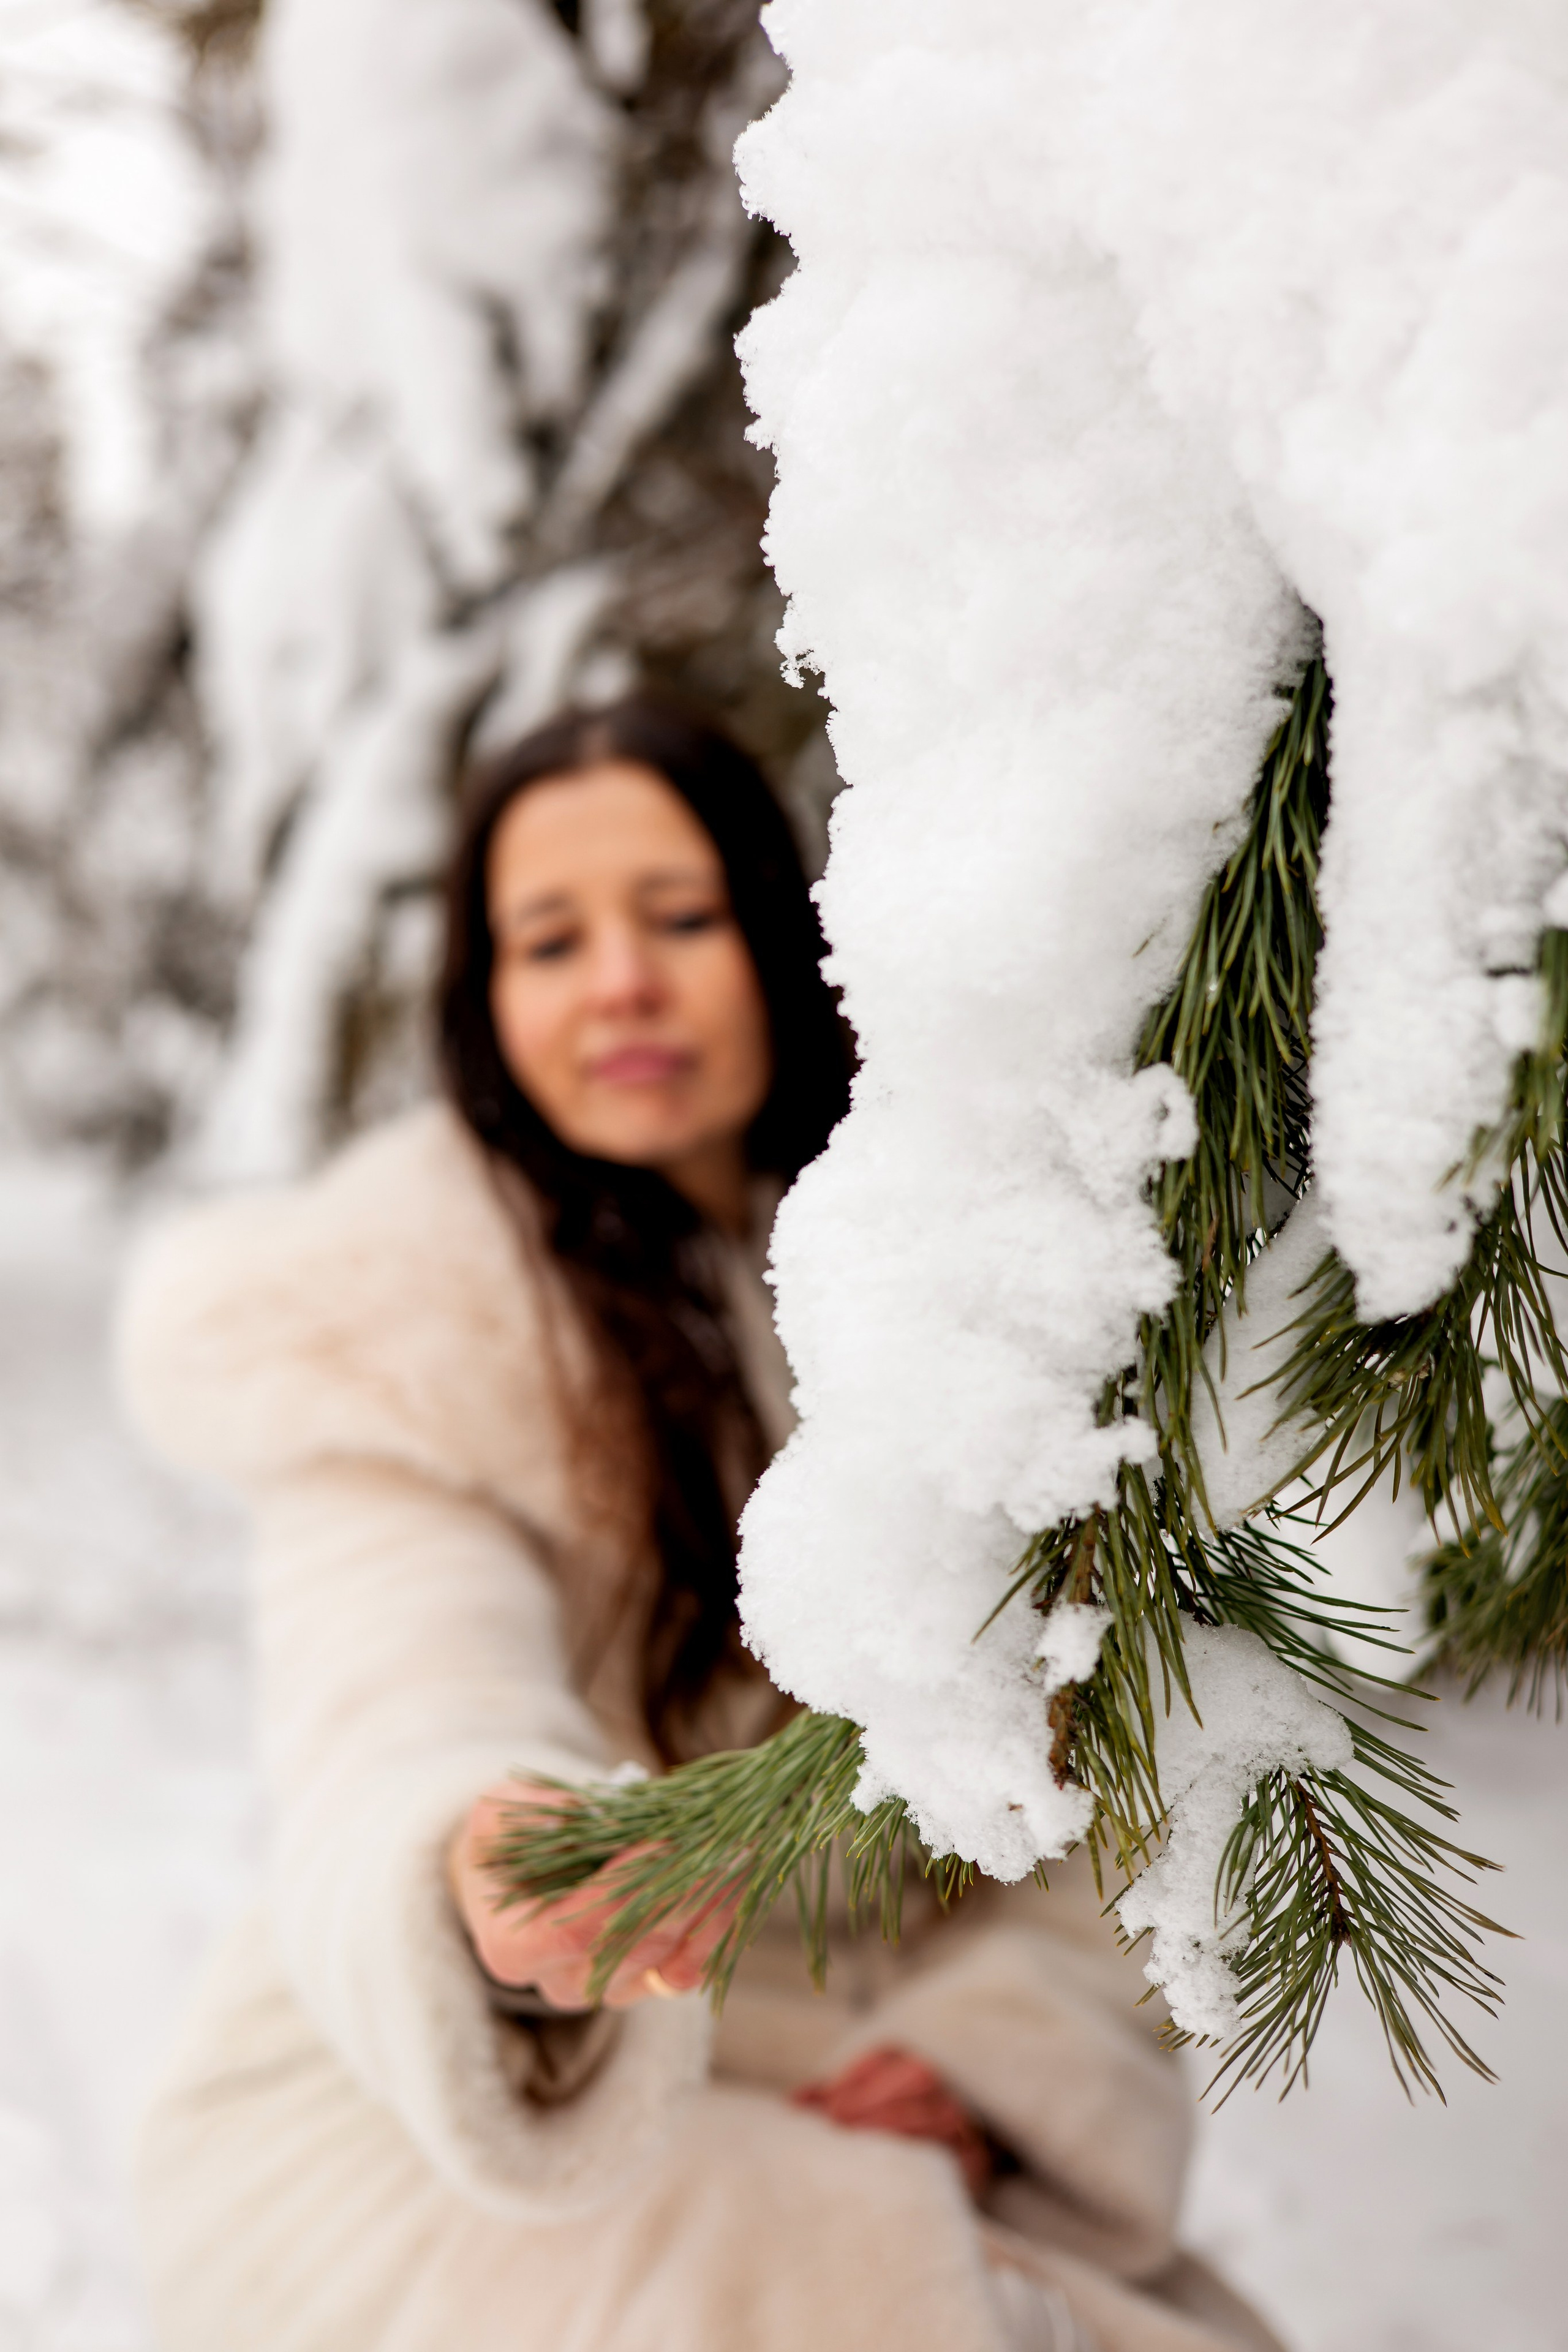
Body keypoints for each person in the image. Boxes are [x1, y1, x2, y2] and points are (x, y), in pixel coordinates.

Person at [118, 696, 1284, 2352]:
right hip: (489, 2103)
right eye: (549, 940)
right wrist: (491, 1866)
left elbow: (1118, 1758)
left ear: (781, 935)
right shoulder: (398, 1317)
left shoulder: (976, 1275)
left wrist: (999, 2057)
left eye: (680, 917)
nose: (621, 984)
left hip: (870, 2068)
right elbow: (391, 1684)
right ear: (482, 997)